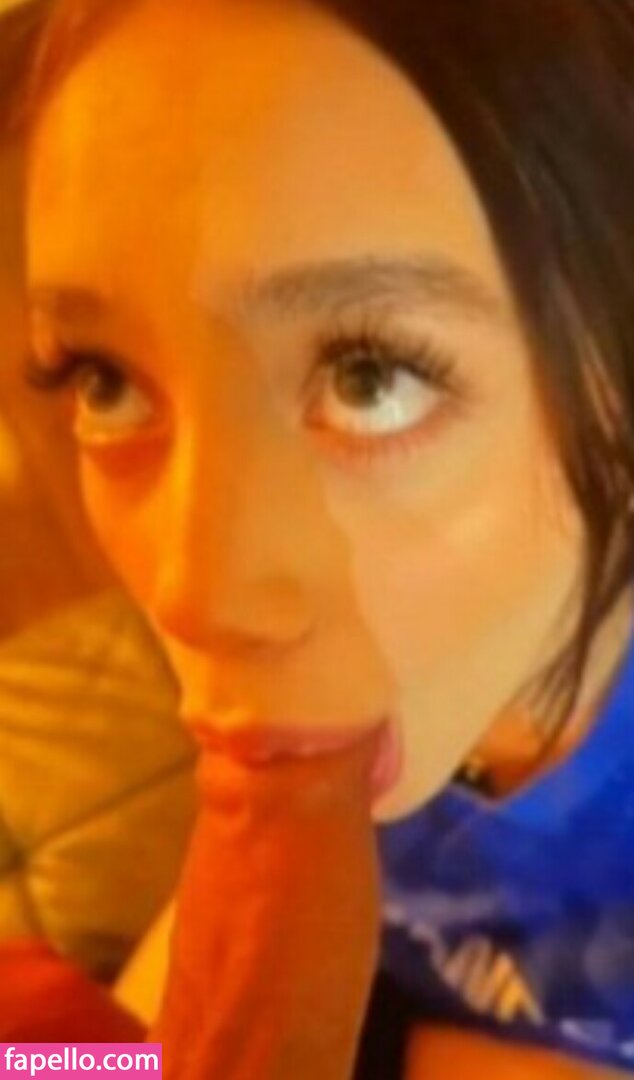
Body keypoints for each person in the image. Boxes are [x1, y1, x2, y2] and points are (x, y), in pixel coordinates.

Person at [16, 0, 634, 1075]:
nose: (193, 592)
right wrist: (46, 1059)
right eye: (104, 381)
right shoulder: (356, 709)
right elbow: (149, 1054)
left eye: (369, 377)